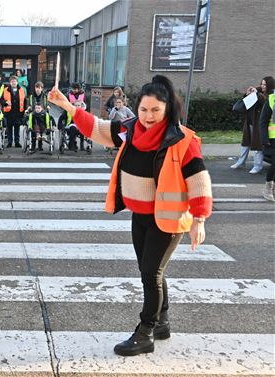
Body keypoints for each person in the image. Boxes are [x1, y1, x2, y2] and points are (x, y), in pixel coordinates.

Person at [48, 75, 213, 357]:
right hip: (141, 215)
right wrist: (69, 107)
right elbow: (97, 129)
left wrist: (199, 220)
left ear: (167, 110)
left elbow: (199, 180)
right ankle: (162, 322)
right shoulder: (130, 129)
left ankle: (145, 332)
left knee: (151, 274)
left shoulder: (182, 139)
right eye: (144, 110)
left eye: (155, 111)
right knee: (151, 272)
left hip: (169, 218)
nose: (149, 117)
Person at [230, 77, 275, 173]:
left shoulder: (271, 95)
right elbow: (245, 103)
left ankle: (257, 166)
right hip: (250, 122)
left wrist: (257, 94)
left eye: (265, 84)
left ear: (269, 85)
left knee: (258, 145)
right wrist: (247, 94)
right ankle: (241, 162)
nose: (262, 86)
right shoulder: (258, 91)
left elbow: (264, 102)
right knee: (245, 144)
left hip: (262, 125)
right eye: (262, 84)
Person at [258, 88, 275, 201]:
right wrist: (264, 139)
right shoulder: (271, 99)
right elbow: (263, 121)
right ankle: (268, 187)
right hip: (272, 138)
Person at [2, 75, 27, 148]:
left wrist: (25, 110)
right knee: (9, 128)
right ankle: (10, 142)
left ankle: (17, 142)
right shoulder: (5, 90)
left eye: (15, 81)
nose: (13, 83)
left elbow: (25, 101)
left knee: (17, 128)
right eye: (12, 81)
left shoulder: (21, 90)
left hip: (18, 112)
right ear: (10, 82)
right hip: (9, 113)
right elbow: (1, 100)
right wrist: (5, 103)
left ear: (17, 82)